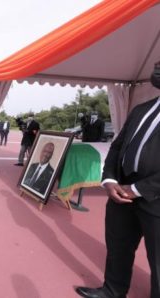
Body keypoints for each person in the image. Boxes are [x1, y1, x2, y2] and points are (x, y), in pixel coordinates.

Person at [75, 62, 160, 298]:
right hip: (120, 194)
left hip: (154, 198)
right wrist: (109, 179)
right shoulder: (141, 110)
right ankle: (112, 290)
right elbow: (118, 147)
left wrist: (136, 189)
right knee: (118, 248)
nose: (157, 68)